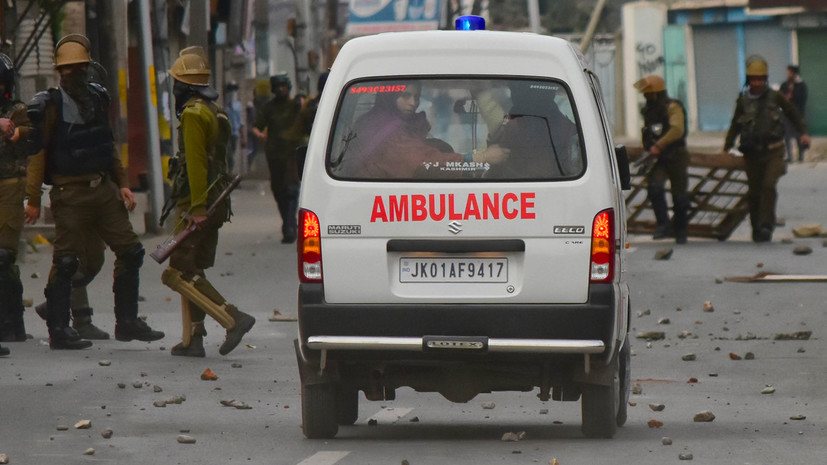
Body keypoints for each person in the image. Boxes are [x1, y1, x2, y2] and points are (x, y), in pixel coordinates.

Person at [24, 34, 164, 349]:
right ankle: (60, 328)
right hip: (69, 194)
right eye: (68, 70)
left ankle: (127, 322)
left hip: (103, 189)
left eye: (79, 68)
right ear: (60, 72)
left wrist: (123, 183)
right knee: (67, 261)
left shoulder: (97, 99)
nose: (74, 74)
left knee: (131, 252)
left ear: (88, 68)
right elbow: (38, 154)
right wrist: (33, 200)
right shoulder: (49, 105)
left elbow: (107, 144)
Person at [161, 46, 255, 357]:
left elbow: (197, 163)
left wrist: (197, 208)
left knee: (178, 271)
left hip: (197, 203)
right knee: (194, 268)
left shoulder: (193, 114)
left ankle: (233, 318)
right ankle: (193, 339)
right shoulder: (215, 110)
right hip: (216, 199)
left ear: (183, 87)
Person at [338, 81, 508, 178]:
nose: (413, 103)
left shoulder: (379, 120)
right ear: (389, 96)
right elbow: (426, 163)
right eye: (405, 96)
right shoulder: (388, 129)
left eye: (417, 97)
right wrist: (482, 157)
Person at [723, 55, 810, 243]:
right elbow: (735, 125)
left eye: (761, 79)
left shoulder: (775, 96)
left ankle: (766, 224)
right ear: (748, 80)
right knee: (754, 192)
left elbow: (792, 112)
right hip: (752, 153)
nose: (757, 83)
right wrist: (727, 145)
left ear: (766, 79)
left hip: (774, 151)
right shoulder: (743, 101)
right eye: (754, 79)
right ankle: (757, 228)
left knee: (769, 185)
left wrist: (803, 133)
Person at [633, 75, 689, 244]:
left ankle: (680, 230)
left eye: (649, 94)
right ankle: (663, 225)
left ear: (657, 93)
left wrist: (659, 146)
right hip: (660, 158)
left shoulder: (672, 107)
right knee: (654, 187)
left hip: (676, 155)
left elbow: (677, 130)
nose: (646, 97)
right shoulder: (649, 110)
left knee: (680, 196)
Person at [486, 80, 581, 179]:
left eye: (515, 91)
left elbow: (497, 152)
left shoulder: (513, 124)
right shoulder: (567, 127)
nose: (513, 97)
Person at [0, 53, 32, 350]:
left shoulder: (19, 111)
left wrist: (15, 130)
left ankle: (11, 323)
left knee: (3, 255)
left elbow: (35, 135)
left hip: (10, 184)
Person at [252, 73, 302, 243]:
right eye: (278, 86)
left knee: (292, 189)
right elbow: (256, 126)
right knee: (279, 190)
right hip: (274, 155)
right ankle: (287, 221)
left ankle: (289, 224)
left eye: (284, 86)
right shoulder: (269, 108)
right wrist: (260, 135)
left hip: (292, 155)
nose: (281, 89)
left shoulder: (295, 104)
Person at [779, 65, 808, 163]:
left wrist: (792, 95)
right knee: (787, 135)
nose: (788, 74)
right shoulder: (784, 85)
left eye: (790, 72)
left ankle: (801, 156)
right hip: (786, 114)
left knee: (798, 135)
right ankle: (790, 156)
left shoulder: (801, 85)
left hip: (798, 114)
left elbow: (803, 99)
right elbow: (780, 96)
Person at [224, 81, 243, 173]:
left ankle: (230, 173)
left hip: (234, 133)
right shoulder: (225, 106)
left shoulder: (238, 105)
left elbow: (240, 121)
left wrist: (243, 137)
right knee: (229, 155)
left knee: (232, 155)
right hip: (226, 133)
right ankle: (228, 173)